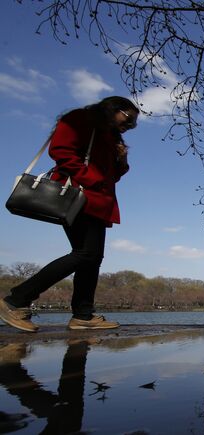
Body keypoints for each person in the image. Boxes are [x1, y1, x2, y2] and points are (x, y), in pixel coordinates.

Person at [0, 96, 139, 332]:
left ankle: (83, 315)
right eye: (128, 118)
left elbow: (113, 175)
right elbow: (60, 150)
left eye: (133, 124)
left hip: (98, 202)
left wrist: (121, 159)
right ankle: (16, 300)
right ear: (112, 108)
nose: (129, 126)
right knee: (86, 254)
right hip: (80, 197)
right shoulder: (81, 119)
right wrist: (91, 179)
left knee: (92, 257)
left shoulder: (109, 135)